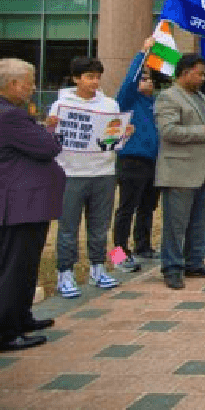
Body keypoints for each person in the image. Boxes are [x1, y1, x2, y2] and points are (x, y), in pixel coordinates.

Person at [47, 57, 132, 298]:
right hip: (70, 173)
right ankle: (65, 272)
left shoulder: (110, 104)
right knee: (68, 228)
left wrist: (125, 134)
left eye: (97, 77)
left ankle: (99, 267)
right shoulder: (61, 104)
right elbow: (53, 138)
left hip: (103, 172)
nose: (94, 82)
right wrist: (50, 128)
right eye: (89, 77)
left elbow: (114, 140)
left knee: (99, 225)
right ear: (76, 78)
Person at [0, 58, 65, 352]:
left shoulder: (13, 113)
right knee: (15, 266)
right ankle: (6, 329)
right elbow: (47, 147)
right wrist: (48, 132)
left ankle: (21, 316)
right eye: (29, 82)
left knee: (26, 265)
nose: (33, 88)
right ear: (13, 84)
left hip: (25, 202)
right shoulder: (11, 116)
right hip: (20, 202)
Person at [154, 54, 205, 290]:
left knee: (201, 221)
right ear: (185, 72)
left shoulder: (201, 96)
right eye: (199, 73)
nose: (203, 78)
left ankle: (194, 262)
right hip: (181, 170)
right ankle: (172, 267)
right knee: (177, 223)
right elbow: (169, 131)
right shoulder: (168, 97)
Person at [111, 38, 161, 274]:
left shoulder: (155, 105)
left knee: (147, 207)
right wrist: (143, 53)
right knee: (126, 209)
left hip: (153, 162)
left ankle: (143, 246)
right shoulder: (127, 100)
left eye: (150, 78)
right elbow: (130, 81)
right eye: (143, 78)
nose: (147, 82)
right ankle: (118, 254)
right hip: (131, 160)